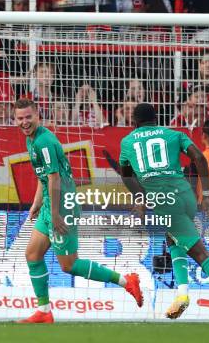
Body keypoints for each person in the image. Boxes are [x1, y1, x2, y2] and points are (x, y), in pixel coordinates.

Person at [118, 103, 209, 325]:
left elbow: (126, 176)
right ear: (156, 120)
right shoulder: (174, 134)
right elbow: (200, 159)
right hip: (186, 195)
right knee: (172, 238)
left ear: (133, 123)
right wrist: (205, 195)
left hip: (165, 200)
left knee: (200, 254)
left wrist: (141, 198)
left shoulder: (127, 142)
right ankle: (182, 294)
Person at [13, 98, 143, 324]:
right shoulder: (31, 140)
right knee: (32, 254)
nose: (24, 122)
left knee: (69, 265)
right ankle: (44, 311)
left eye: (28, 117)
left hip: (61, 207)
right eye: (20, 118)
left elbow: (54, 178)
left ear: (38, 116)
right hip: (50, 204)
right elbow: (44, 176)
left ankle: (126, 281)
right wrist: (37, 202)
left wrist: (54, 214)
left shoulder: (43, 142)